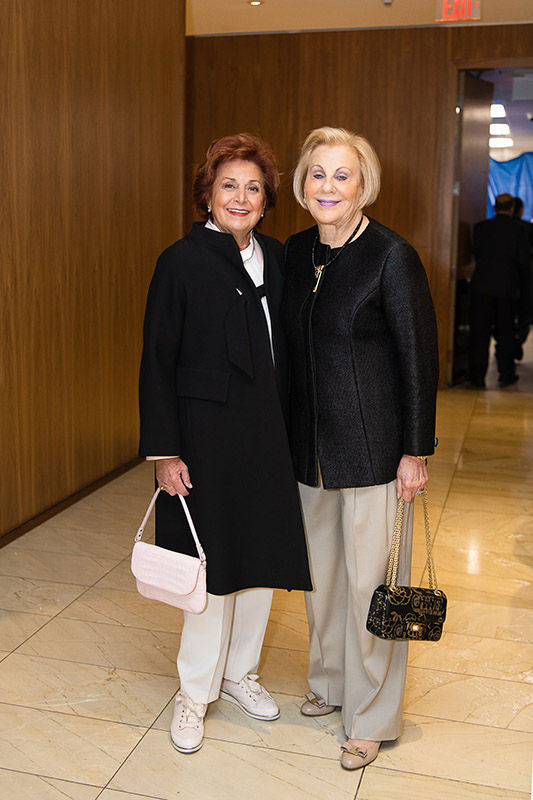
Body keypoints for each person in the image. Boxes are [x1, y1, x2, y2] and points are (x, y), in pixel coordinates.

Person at [139, 133, 311, 755]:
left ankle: (239, 675)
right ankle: (193, 692)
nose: (241, 197)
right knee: (209, 571)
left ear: (266, 200)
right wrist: (165, 451)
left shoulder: (278, 257)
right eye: (228, 185)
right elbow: (157, 361)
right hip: (204, 440)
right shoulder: (180, 261)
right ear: (207, 194)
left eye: (253, 188)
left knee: (258, 560)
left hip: (269, 434)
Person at [281, 126, 439, 770]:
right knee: (322, 581)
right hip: (309, 452)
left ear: (363, 185)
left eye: (341, 175)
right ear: (303, 185)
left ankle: (371, 715)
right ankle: (329, 682)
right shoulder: (296, 252)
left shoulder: (390, 256)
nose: (328, 186)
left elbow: (418, 359)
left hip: (375, 453)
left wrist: (415, 450)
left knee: (373, 588)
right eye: (317, 174)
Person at [468, 193, 530, 387]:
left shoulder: (480, 228)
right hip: (507, 289)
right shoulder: (520, 230)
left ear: (494, 208)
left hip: (481, 287)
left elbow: (477, 254)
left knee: (479, 333)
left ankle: (477, 376)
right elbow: (523, 262)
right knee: (505, 333)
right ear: (512, 209)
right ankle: (506, 373)